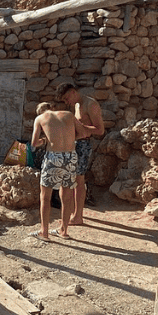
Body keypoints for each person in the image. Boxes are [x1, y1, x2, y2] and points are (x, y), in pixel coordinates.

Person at [58, 82, 105, 226]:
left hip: (83, 145)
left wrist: (79, 126)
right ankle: (72, 212)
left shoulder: (91, 104)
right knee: (71, 179)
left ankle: (78, 216)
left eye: (66, 98)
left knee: (79, 180)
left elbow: (100, 130)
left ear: (73, 92)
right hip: (74, 144)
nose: (67, 102)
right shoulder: (77, 105)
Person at [30, 103, 78, 241]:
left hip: (53, 156)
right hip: (70, 156)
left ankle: (43, 232)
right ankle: (64, 230)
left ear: (40, 112)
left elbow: (34, 143)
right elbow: (83, 133)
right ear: (52, 108)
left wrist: (45, 140)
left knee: (45, 196)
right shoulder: (68, 115)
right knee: (67, 195)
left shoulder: (40, 118)